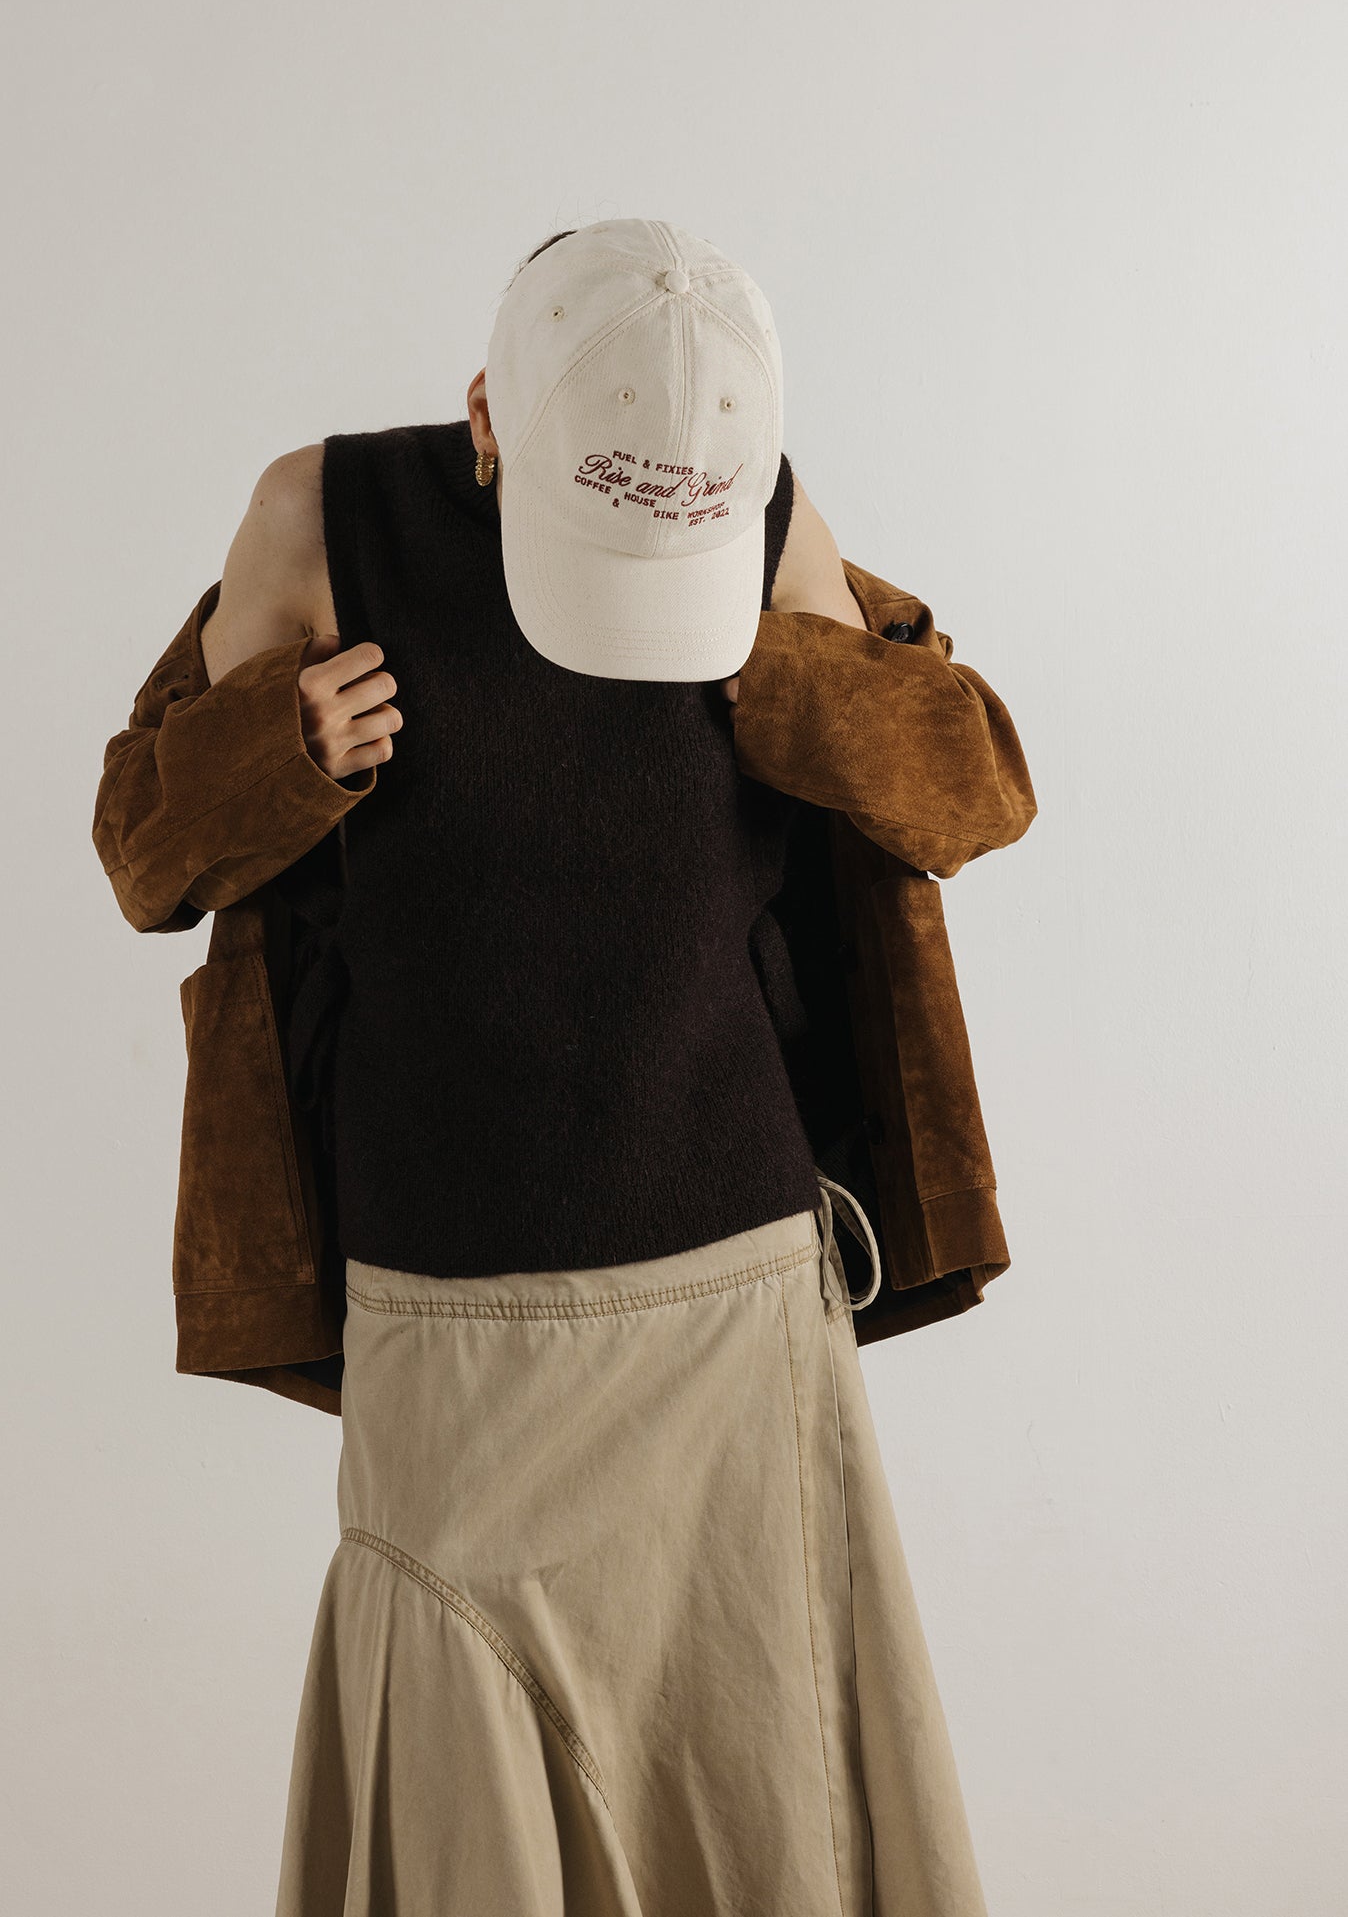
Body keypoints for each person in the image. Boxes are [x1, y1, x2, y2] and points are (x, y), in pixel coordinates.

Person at [101, 219, 1035, 1914]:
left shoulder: (762, 513)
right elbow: (142, 853)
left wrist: (803, 681)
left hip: (736, 1314)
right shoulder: (325, 519)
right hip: (451, 1329)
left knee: (763, 1805)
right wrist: (280, 747)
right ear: (487, 411)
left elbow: (972, 793)